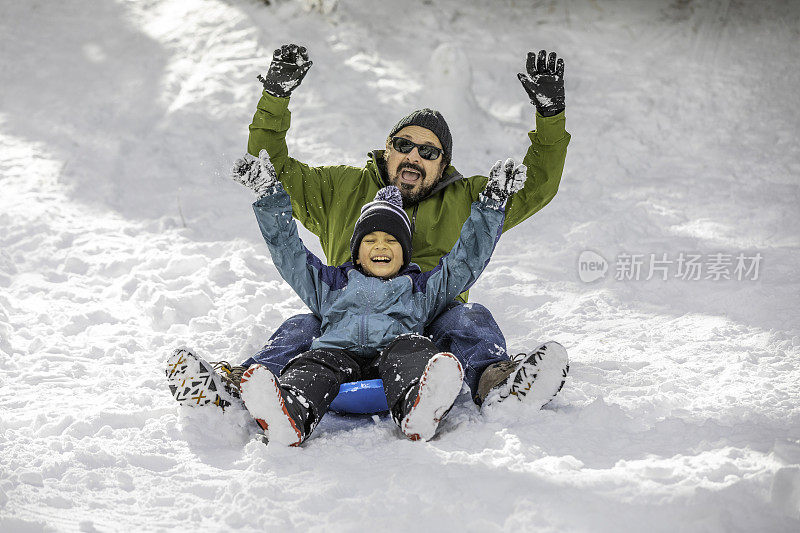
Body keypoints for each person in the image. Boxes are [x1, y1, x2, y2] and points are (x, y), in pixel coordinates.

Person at [167, 44, 570, 416]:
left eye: (428, 152)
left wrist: (550, 118)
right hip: (344, 321)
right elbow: (269, 171)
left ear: (443, 165)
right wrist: (275, 97)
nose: (414, 156)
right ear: (387, 149)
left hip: (426, 319)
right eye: (404, 144)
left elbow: (537, 185)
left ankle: (499, 386)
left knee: (468, 319)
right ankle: (240, 392)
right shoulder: (341, 188)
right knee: (301, 327)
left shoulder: (467, 199)